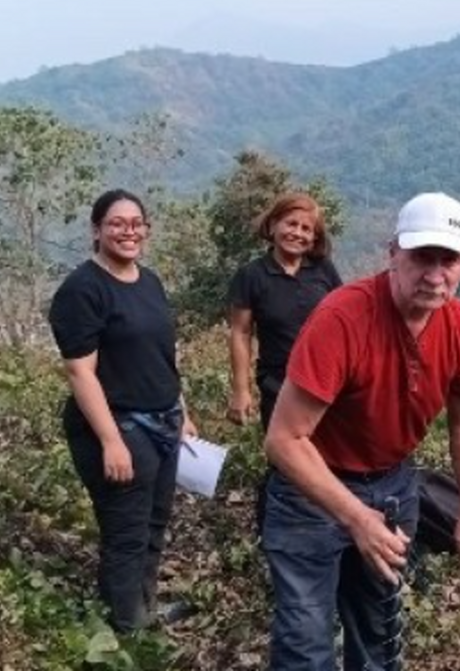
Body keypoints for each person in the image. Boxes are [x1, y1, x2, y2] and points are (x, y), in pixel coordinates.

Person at [262, 191, 460, 671]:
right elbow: (284, 440)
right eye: (421, 258)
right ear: (393, 254)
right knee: (306, 641)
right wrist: (355, 517)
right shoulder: (343, 318)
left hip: (392, 486)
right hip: (312, 491)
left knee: (378, 630)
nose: (434, 274)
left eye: (447, 259)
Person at [48, 188, 199, 634]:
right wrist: (111, 440)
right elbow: (80, 372)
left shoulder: (149, 280)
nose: (128, 231)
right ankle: (125, 631)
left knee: (154, 523)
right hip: (119, 428)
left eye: (136, 223)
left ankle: (144, 610)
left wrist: (182, 410)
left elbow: (162, 353)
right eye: (117, 223)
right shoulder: (82, 290)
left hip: (162, 421)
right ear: (96, 230)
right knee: (126, 534)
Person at [227, 192, 342, 431]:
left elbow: (344, 320)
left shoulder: (323, 271)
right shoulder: (251, 275)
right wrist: (241, 389)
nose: (297, 233)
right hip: (279, 385)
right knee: (286, 459)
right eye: (291, 223)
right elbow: (241, 332)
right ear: (273, 225)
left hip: (326, 383)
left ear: (313, 238)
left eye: (306, 229)